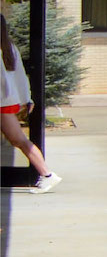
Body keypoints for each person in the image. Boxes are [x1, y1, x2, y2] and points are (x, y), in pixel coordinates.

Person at [0, 33, 56, 193]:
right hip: (8, 101)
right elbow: (20, 77)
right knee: (19, 140)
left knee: (19, 140)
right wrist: (26, 99)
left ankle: (47, 174)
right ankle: (47, 174)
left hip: (3, 102)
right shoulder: (10, 48)